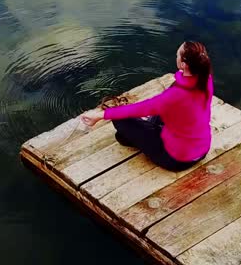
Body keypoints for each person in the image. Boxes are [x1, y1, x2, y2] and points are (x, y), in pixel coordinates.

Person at [80, 41, 213, 171]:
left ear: (183, 64)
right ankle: (145, 130)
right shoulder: (206, 80)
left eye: (177, 55)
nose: (176, 57)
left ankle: (139, 136)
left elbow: (140, 108)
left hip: (177, 160)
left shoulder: (174, 96)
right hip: (202, 150)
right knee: (157, 116)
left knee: (120, 119)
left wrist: (99, 115)